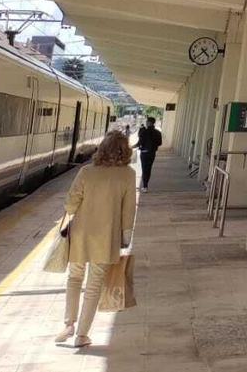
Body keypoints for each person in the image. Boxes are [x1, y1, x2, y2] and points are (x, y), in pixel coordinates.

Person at [56, 130, 137, 348]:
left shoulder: (86, 172)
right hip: (107, 236)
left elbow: (71, 203)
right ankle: (82, 335)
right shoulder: (128, 174)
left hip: (80, 233)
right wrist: (126, 237)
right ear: (125, 151)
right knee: (94, 284)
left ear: (102, 148)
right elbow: (129, 210)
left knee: (74, 277)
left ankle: (68, 324)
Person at [135, 116, 162, 189]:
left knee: (144, 168)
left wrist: (131, 146)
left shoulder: (144, 131)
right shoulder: (158, 132)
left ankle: (145, 186)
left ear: (149, 123)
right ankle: (145, 185)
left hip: (144, 153)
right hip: (152, 153)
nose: (146, 123)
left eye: (147, 121)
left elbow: (139, 143)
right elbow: (159, 143)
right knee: (148, 168)